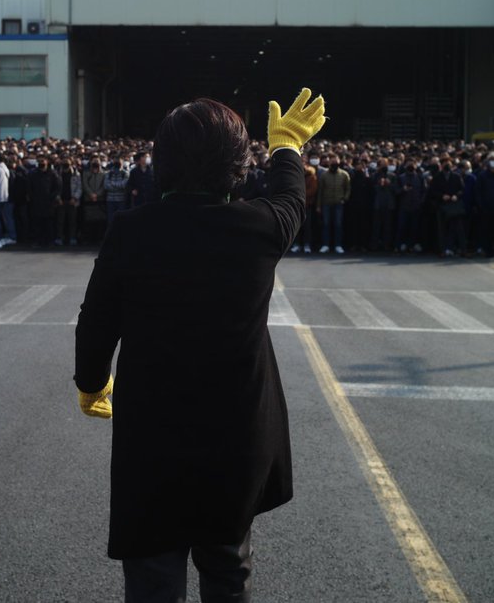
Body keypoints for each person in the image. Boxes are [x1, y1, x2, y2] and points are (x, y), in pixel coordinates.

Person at [75, 87, 325, 603]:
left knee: (153, 574)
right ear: (237, 165)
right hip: (235, 434)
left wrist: (92, 382)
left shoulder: (132, 231)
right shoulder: (259, 228)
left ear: (160, 162)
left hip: (154, 432)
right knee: (228, 567)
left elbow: (96, 321)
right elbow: (289, 197)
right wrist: (285, 147)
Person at [316, 152, 350, 253]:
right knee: (326, 225)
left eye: (336, 162)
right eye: (333, 162)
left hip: (339, 203)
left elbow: (348, 188)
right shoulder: (324, 175)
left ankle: (338, 245)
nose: (335, 164)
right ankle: (325, 245)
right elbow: (320, 191)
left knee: (338, 225)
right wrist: (318, 205)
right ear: (329, 163)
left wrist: (345, 198)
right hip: (326, 203)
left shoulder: (344, 174)